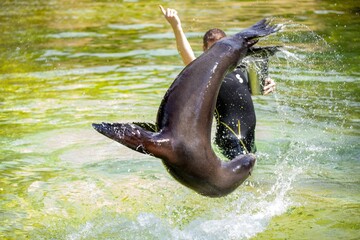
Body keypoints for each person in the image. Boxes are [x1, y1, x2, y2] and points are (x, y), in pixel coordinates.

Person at [159, 6, 276, 159]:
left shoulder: (241, 70)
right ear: (205, 51)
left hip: (248, 137)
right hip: (230, 138)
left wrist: (269, 84)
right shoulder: (208, 74)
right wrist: (177, 26)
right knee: (245, 177)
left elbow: (250, 92)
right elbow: (187, 57)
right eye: (213, 50)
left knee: (250, 177)